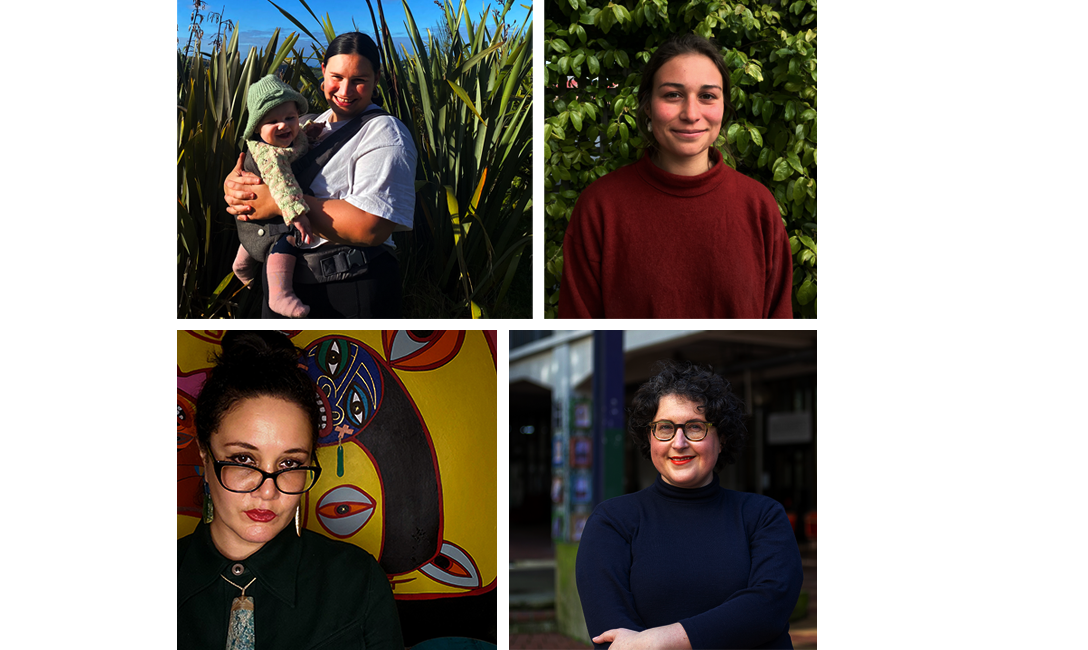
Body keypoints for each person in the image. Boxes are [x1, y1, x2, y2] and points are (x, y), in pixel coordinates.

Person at [178, 331, 404, 649]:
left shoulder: (356, 581)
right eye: (244, 459)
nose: (267, 491)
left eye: (288, 464)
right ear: (205, 452)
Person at [558, 33, 793, 319]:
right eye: (673, 95)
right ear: (647, 105)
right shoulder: (600, 207)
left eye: (707, 96)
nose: (691, 113)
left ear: (723, 107)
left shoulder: (757, 206)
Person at [575, 361, 802, 650]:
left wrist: (660, 639)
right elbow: (613, 639)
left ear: (721, 439)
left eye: (695, 427)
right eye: (665, 427)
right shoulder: (612, 521)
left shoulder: (763, 516)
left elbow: (769, 606)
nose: (679, 442)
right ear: (650, 437)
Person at [224, 32, 418, 318]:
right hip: (286, 281)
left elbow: (372, 227)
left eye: (359, 80)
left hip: (348, 288)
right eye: (337, 76)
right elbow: (264, 164)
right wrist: (236, 186)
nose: (346, 90)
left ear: (376, 79)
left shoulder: (385, 133)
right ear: (323, 71)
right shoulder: (305, 124)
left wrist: (278, 202)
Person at [231, 74, 321, 318]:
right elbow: (283, 186)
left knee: (249, 246)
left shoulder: (288, 136)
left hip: (253, 217)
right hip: (270, 213)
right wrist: (297, 214)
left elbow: (299, 136)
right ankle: (279, 294)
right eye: (272, 121)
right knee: (284, 242)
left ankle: (240, 268)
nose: (284, 125)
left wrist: (310, 131)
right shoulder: (270, 155)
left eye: (290, 118)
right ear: (258, 128)